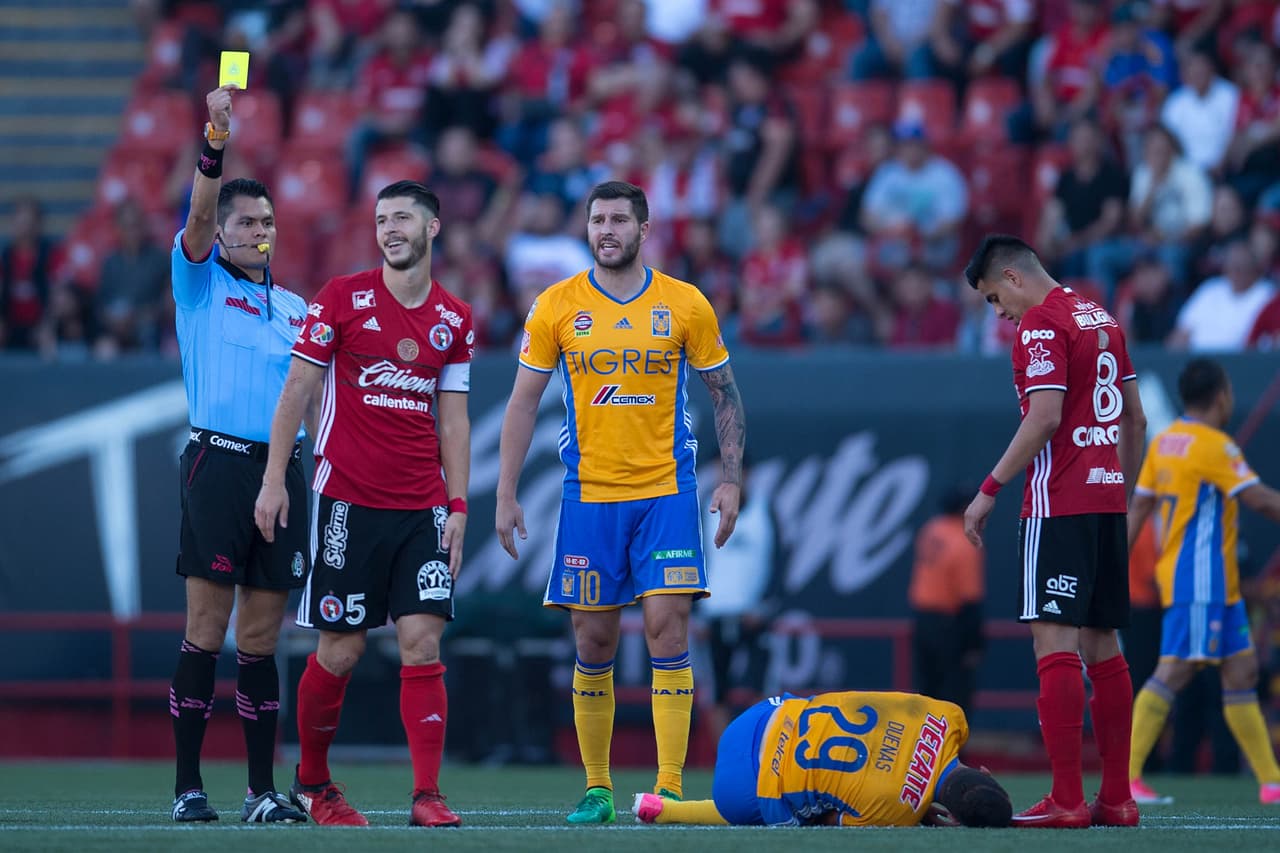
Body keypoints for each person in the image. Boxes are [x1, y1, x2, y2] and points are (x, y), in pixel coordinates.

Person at [495, 180, 746, 824]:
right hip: (589, 496)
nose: (606, 230)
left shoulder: (684, 304)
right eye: (596, 220)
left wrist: (731, 479)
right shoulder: (556, 305)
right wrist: (505, 492)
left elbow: (724, 393)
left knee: (668, 628)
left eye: (617, 220)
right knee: (594, 639)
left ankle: (666, 787)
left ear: (644, 227)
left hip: (666, 490)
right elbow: (522, 401)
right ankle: (599, 789)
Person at [254, 180, 473, 828]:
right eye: (381, 219)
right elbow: (298, 388)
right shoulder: (341, 300)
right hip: (346, 499)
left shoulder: (455, 318)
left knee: (422, 642)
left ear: (432, 228)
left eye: (403, 217)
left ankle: (426, 794)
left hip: (424, 507)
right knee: (341, 649)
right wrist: (274, 478)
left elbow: (453, 420)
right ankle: (313, 782)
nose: (390, 228)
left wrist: (458, 502)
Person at [962, 234, 1148, 828]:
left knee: (1054, 644)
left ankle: (1067, 798)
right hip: (1106, 500)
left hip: (1059, 503)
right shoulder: (1102, 317)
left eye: (994, 298)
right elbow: (1135, 419)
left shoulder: (1040, 324)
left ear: (1013, 277)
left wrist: (988, 489)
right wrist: (1120, 491)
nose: (999, 314)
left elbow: (1043, 418)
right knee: (1103, 646)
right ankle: (1117, 799)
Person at [168, 85, 311, 824]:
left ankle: (260, 792)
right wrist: (215, 140)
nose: (260, 231)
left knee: (260, 639)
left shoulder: (296, 310)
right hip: (218, 465)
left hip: (283, 474)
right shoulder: (197, 284)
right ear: (221, 234)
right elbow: (195, 212)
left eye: (268, 222)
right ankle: (189, 784)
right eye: (246, 222)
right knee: (205, 627)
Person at [1125, 358, 1280, 806]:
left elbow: (1139, 509)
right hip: (1201, 581)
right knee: (1175, 670)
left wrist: (1113, 562)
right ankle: (1128, 778)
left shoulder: (1166, 441)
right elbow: (1261, 501)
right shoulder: (1215, 445)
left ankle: (1271, 781)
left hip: (1213, 584)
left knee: (1241, 671)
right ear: (1222, 395)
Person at [633, 689, 1012, 828]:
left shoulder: (950, 717)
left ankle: (664, 806)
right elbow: (830, 818)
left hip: (758, 716)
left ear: (984, 770)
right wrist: (913, 808)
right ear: (958, 819)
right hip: (741, 789)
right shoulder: (899, 810)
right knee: (801, 812)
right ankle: (664, 810)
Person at [909, 486, 985, 719]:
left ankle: (923, 752)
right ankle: (950, 753)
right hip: (949, 625)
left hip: (922, 620)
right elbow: (970, 599)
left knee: (926, 692)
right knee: (955, 697)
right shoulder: (965, 542)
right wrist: (974, 643)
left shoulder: (931, 529)